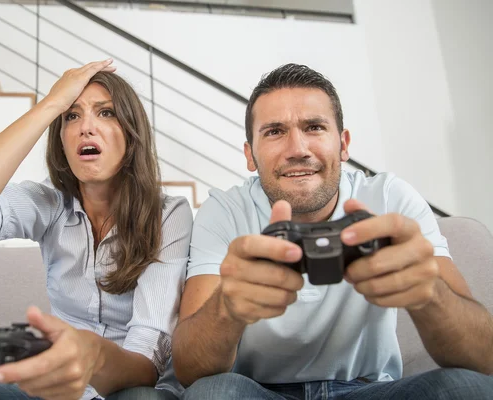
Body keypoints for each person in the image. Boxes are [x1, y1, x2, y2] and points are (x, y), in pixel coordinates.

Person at [172, 63, 493, 399]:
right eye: (274, 131)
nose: (298, 149)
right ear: (249, 155)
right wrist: (227, 306)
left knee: (468, 388)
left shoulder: (388, 198)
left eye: (314, 127)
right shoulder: (225, 211)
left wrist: (429, 292)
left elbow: (481, 357)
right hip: (260, 392)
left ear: (344, 144)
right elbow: (189, 369)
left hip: (368, 389)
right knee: (214, 393)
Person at [0, 59, 192, 400]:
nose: (86, 127)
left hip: (126, 383)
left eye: (105, 113)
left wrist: (89, 359)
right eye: (72, 116)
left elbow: (146, 363)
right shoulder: (48, 202)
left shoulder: (169, 214)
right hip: (51, 384)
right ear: (61, 139)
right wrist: (51, 104)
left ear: (132, 137)